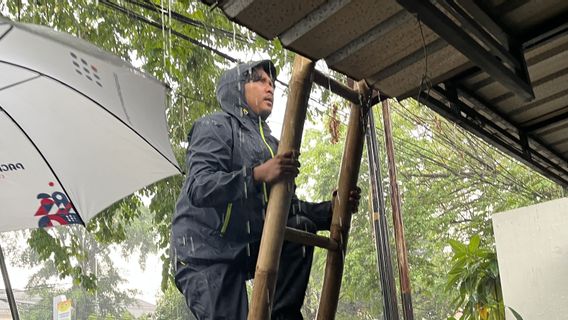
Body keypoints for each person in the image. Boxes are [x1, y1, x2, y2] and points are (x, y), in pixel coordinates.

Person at [172, 60, 360, 320]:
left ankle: (281, 315)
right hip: (203, 254)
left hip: (242, 247)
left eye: (272, 83)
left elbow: (286, 207)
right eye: (260, 80)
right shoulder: (214, 126)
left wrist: (334, 209)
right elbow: (199, 187)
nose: (269, 87)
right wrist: (258, 174)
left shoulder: (272, 144)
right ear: (238, 87)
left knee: (300, 226)